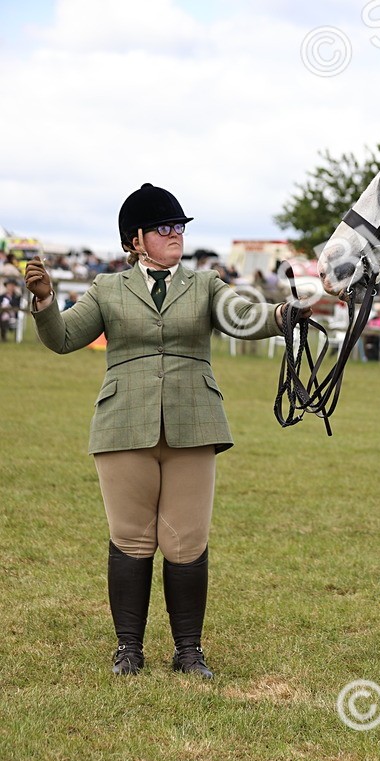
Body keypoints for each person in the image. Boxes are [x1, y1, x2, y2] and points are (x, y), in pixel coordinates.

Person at [23, 182, 309, 679]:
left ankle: (189, 651)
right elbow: (65, 339)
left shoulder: (205, 284)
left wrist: (284, 314)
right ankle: (128, 649)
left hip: (194, 421)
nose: (175, 233)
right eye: (163, 227)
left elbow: (240, 316)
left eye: (179, 226)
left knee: (186, 541)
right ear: (135, 239)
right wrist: (46, 302)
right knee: (131, 538)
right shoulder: (108, 289)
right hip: (123, 423)